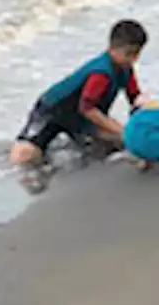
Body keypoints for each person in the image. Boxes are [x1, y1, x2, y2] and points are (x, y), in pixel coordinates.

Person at [10, 19, 148, 190]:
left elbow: (134, 97)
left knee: (115, 146)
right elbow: (88, 108)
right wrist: (121, 129)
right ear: (112, 48)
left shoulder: (126, 69)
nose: (134, 59)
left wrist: (142, 115)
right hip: (53, 112)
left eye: (137, 54)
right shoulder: (101, 73)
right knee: (24, 158)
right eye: (129, 54)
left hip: (81, 119)